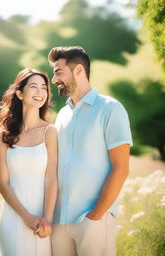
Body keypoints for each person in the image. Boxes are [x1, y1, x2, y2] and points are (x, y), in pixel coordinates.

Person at [48, 46, 133, 256]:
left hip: (93, 219)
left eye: (58, 72)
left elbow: (121, 168)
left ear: (78, 70)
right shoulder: (62, 115)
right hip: (59, 222)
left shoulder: (110, 108)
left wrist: (95, 216)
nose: (53, 79)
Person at [0, 68, 58, 256]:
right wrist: (26, 217)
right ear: (19, 93)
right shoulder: (3, 138)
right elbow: (3, 184)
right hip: (13, 217)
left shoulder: (50, 131)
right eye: (33, 87)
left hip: (42, 220)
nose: (40, 92)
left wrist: (47, 219)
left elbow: (52, 179)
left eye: (44, 88)